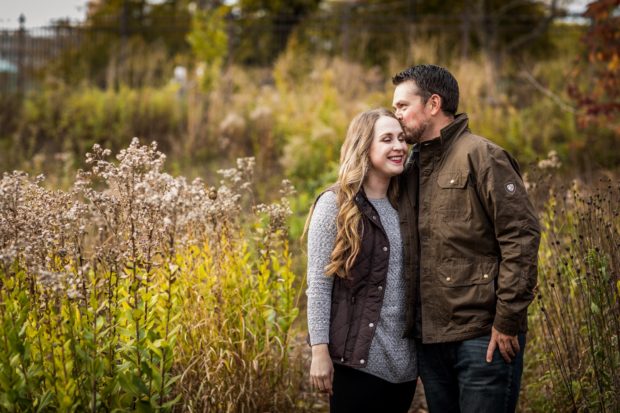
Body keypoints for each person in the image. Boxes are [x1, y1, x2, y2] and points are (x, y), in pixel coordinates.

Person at [391, 64, 541, 413]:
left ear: (432, 104)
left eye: (402, 105)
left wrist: (507, 322)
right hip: (431, 342)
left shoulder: (483, 156)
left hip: (482, 338)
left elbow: (521, 237)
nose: (396, 114)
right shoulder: (409, 167)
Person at [305, 108, 417, 413]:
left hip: (405, 367)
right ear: (364, 147)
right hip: (357, 364)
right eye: (387, 139)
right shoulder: (336, 205)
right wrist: (319, 352)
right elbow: (318, 285)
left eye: (402, 138)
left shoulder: (406, 206)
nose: (399, 146)